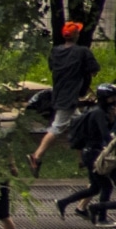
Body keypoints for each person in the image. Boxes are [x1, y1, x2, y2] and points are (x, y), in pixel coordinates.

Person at [29, 22, 101, 177]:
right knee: (57, 127)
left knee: (79, 124)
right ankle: (36, 156)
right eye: (78, 32)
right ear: (76, 35)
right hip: (69, 97)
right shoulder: (82, 51)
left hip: (60, 94)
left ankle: (83, 161)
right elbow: (94, 70)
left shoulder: (55, 51)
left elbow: (53, 68)